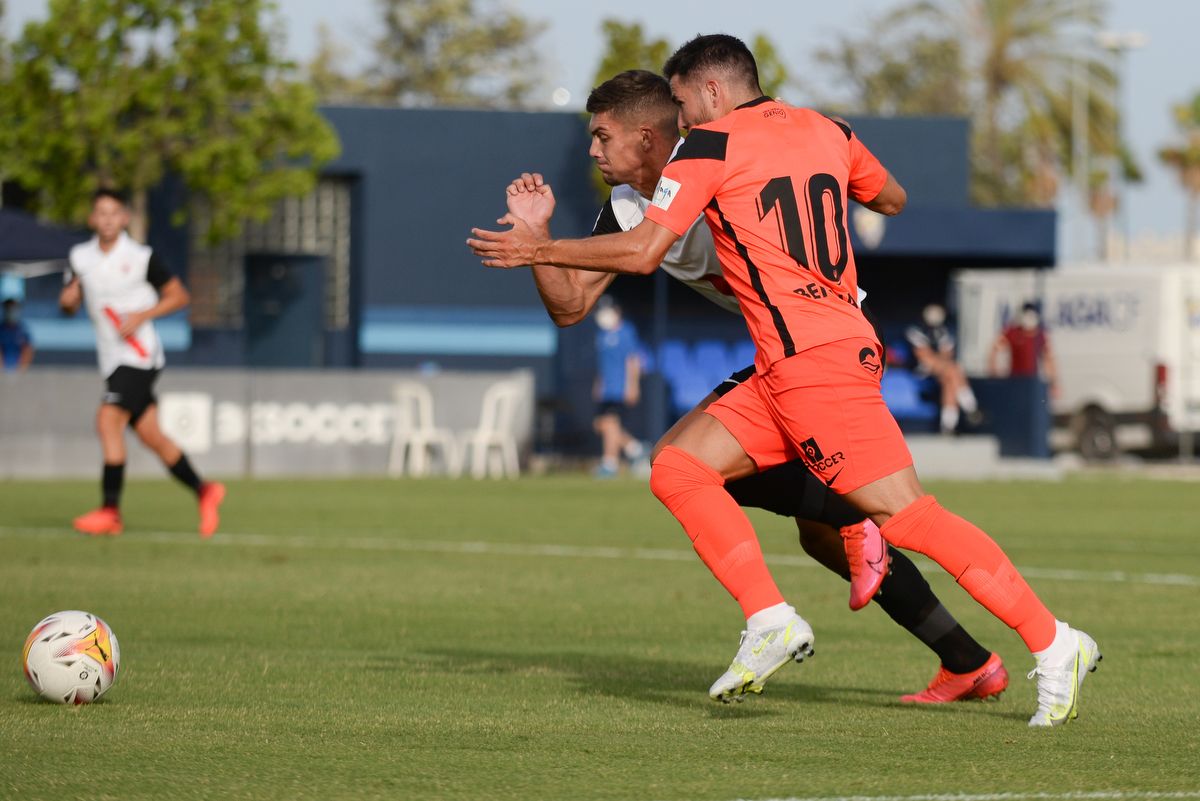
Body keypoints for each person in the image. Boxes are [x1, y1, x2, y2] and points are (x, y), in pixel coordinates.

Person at [469, 36, 1098, 727]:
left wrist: (537, 245)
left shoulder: (706, 150)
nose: (682, 123)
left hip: (817, 353)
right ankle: (779, 617)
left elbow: (648, 250)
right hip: (787, 358)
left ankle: (1053, 639)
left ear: (707, 93)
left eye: (681, 105)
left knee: (908, 516)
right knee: (679, 466)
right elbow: (890, 197)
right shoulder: (823, 128)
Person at [59, 188, 225, 538]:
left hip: (139, 354)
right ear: (91, 218)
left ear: (124, 218)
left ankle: (110, 512)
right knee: (152, 436)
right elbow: (69, 307)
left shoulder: (140, 257)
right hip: (110, 359)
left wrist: (144, 314)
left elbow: (180, 296)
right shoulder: (79, 257)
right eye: (100, 213)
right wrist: (68, 301)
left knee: (108, 421)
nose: (107, 219)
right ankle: (204, 490)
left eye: (113, 213)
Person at [905, 303, 981, 433]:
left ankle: (947, 426)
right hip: (921, 372)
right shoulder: (914, 331)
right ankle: (970, 407)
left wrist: (941, 361)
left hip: (942, 371)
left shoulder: (945, 331)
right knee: (954, 370)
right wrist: (939, 361)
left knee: (950, 381)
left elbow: (947, 354)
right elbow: (925, 357)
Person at [592, 296, 646, 477]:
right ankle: (635, 448)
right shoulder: (601, 334)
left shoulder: (626, 332)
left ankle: (610, 463)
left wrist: (632, 386)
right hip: (606, 388)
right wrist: (599, 384)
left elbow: (633, 360)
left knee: (610, 424)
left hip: (619, 387)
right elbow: (602, 364)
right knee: (600, 425)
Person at [989, 301, 1058, 395]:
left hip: (1032, 381)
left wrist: (1053, 382)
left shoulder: (1040, 335)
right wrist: (994, 372)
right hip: (1014, 380)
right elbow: (994, 350)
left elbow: (1048, 359)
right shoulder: (1012, 332)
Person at [1, 298, 35, 372]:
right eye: (8, 308)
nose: (10, 311)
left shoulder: (23, 330)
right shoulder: (1, 329)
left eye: (13, 308)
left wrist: (20, 370)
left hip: (19, 371)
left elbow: (28, 350)